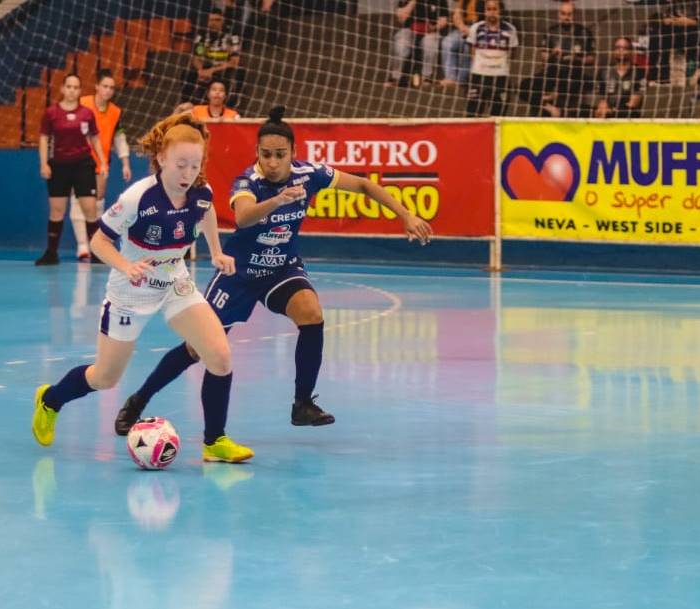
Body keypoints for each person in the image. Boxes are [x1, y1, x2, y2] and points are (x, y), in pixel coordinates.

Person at [113, 106, 434, 436]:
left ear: (293, 153)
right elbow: (243, 217)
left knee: (311, 313)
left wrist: (405, 215)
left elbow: (365, 186)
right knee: (198, 349)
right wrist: (278, 200)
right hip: (239, 273)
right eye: (266, 154)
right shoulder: (248, 181)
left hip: (281, 268)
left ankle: (302, 404)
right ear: (257, 153)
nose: (272, 162)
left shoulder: (310, 175)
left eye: (280, 155)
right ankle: (138, 400)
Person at [32, 112, 255, 463]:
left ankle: (214, 442)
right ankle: (50, 400)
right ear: (162, 158)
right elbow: (100, 240)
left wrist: (216, 251)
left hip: (174, 283)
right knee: (105, 377)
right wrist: (126, 265)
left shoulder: (200, 190)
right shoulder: (139, 197)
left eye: (195, 165)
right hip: (129, 293)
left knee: (220, 356)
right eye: (181, 164)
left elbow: (207, 209)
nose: (188, 173)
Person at [35, 74, 107, 266]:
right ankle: (51, 253)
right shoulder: (51, 113)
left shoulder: (87, 113)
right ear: (63, 89)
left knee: (90, 210)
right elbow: (43, 139)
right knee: (57, 211)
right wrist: (44, 163)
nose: (72, 90)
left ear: (80, 91)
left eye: (76, 87)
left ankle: (98, 253)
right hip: (58, 166)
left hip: (83, 165)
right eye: (69, 87)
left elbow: (95, 138)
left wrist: (103, 161)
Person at [72, 69, 133, 262]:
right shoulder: (82, 103)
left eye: (111, 88)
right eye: (105, 86)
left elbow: (119, 137)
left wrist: (125, 163)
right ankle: (82, 246)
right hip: (78, 161)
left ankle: (94, 244)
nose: (108, 91)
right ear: (97, 86)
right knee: (78, 201)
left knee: (97, 202)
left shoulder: (115, 112)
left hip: (101, 163)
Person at [521, 1, 596, 117]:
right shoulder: (551, 31)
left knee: (588, 83)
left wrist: (575, 58)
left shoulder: (584, 33)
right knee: (524, 85)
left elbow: (592, 59)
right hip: (553, 71)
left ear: (575, 15)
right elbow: (543, 57)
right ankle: (548, 105)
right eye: (563, 14)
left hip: (574, 72)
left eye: (569, 14)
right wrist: (553, 53)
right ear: (559, 14)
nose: (566, 17)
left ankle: (554, 97)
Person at [464, 0, 518, 116]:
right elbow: (472, 51)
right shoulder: (476, 28)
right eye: (489, 9)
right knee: (473, 114)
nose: (492, 12)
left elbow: (512, 53)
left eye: (495, 9)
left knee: (498, 115)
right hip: (478, 76)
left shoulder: (510, 29)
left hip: (500, 77)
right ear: (484, 11)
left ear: (500, 11)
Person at [183, 9, 246, 109]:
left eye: (217, 20)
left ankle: (231, 106)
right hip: (206, 67)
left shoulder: (233, 35)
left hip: (223, 68)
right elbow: (196, 57)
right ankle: (188, 105)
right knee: (187, 73)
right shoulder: (202, 34)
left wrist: (211, 71)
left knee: (237, 73)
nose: (213, 23)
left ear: (223, 21)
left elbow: (234, 61)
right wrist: (201, 70)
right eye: (211, 20)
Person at [385, 0, 448, 88]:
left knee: (429, 44)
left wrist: (433, 27)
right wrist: (413, 2)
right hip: (409, 30)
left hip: (431, 31)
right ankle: (396, 78)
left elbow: (444, 21)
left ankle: (426, 77)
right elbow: (401, 18)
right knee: (401, 44)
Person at [594, 37, 646, 118]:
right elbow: (601, 99)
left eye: (625, 48)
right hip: (606, 116)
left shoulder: (639, 73)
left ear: (631, 52)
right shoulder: (603, 72)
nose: (620, 50)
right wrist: (603, 107)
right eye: (617, 47)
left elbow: (634, 103)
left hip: (628, 118)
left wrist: (612, 111)